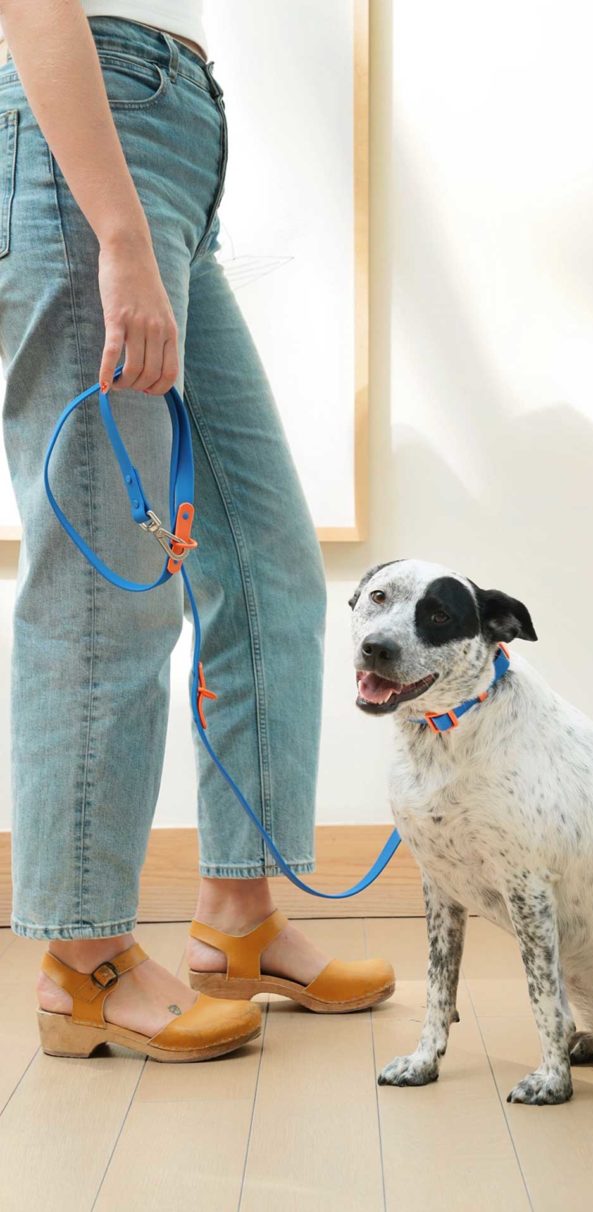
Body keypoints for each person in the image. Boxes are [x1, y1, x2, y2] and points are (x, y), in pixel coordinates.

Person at [0, 0, 393, 1062]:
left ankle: (236, 921)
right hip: (88, 139)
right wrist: (118, 234)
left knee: (266, 561)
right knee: (105, 588)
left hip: (171, 145)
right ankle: (82, 964)